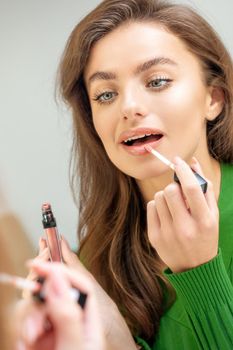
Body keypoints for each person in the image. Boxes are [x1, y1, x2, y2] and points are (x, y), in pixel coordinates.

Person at [15, 0, 233, 349]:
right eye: (105, 94)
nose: (128, 106)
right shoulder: (98, 259)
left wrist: (200, 270)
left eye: (157, 81)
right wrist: (113, 335)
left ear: (214, 98)